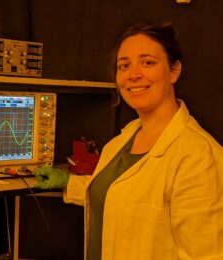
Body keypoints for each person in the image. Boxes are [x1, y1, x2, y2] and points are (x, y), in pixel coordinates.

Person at [34, 21, 223, 260]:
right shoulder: (122, 141)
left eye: (148, 63)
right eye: (124, 65)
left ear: (174, 70)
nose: (134, 75)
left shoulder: (198, 157)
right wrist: (68, 183)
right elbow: (125, 198)